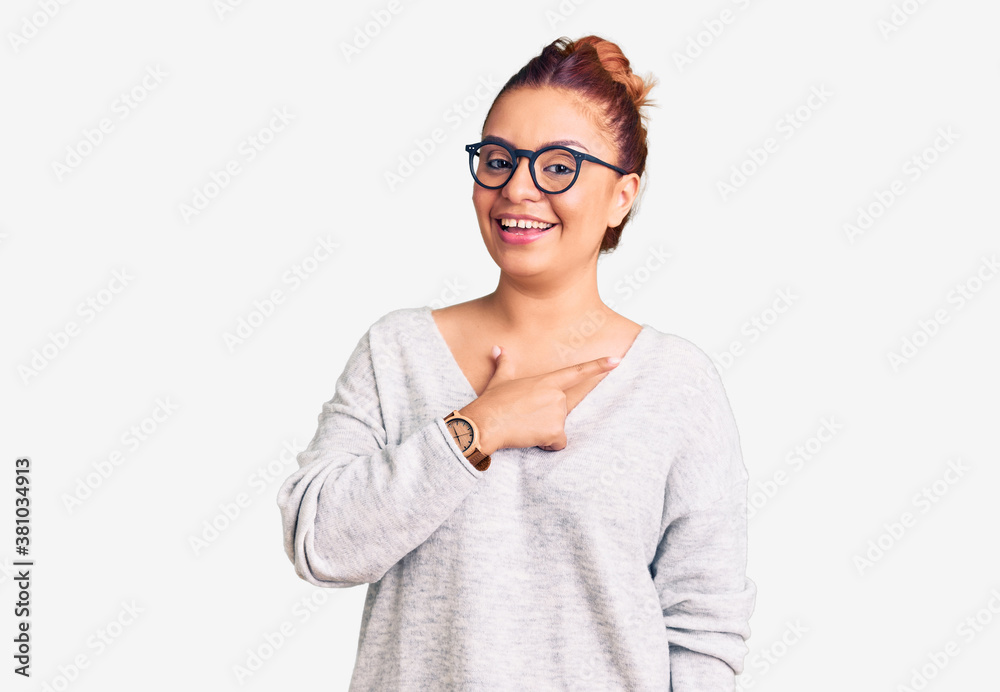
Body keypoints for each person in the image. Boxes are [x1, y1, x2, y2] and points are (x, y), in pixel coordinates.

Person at [276, 35, 756, 691]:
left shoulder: (676, 385)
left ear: (622, 195)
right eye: (498, 160)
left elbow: (705, 632)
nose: (518, 189)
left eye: (559, 166)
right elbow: (320, 542)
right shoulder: (399, 354)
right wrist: (477, 428)